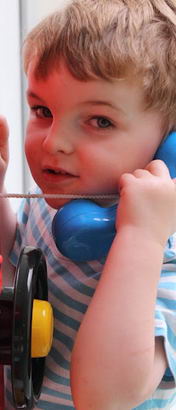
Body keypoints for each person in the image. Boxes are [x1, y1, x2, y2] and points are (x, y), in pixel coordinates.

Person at [1, 0, 176, 408]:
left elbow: (104, 396)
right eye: (43, 110)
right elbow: (18, 257)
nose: (53, 142)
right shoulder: (57, 201)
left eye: (99, 121)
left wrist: (141, 237)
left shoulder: (164, 258)